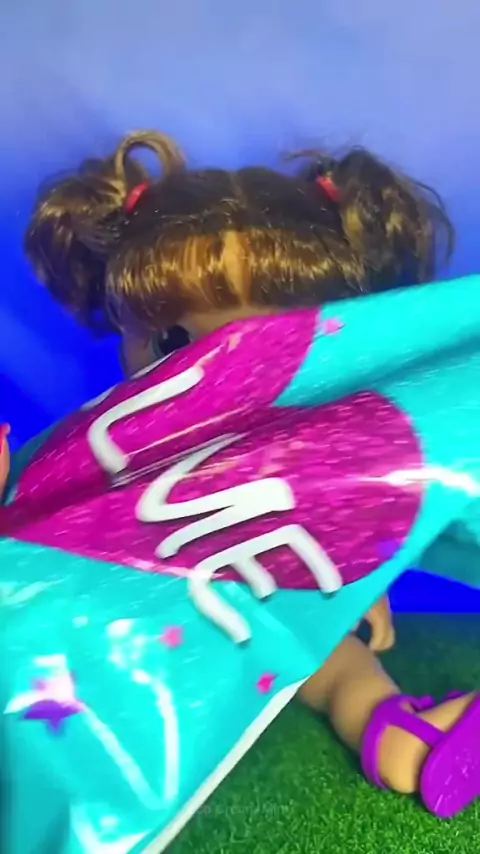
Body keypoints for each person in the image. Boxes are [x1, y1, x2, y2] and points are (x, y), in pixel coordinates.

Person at [23, 131, 479, 818]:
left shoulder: (317, 440)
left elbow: (355, 506)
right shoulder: (108, 441)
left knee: (334, 662)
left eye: (268, 343)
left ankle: (398, 733)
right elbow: (46, 521)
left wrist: (357, 586)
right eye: (174, 342)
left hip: (256, 606)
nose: (222, 370)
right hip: (124, 632)